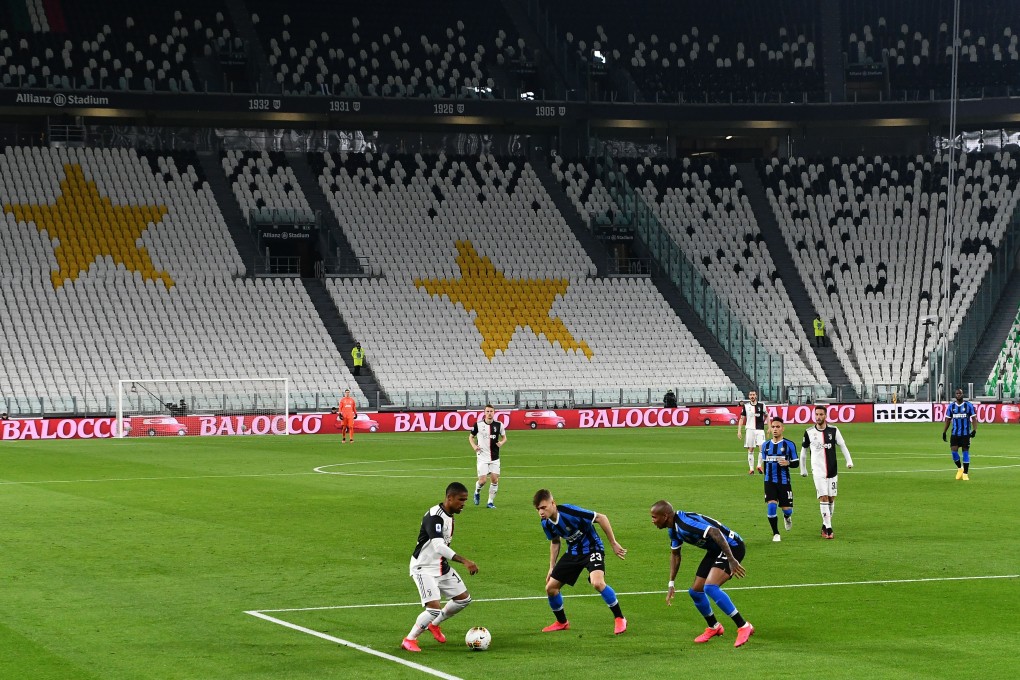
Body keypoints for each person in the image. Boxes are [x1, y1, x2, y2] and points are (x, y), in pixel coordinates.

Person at [650, 500, 754, 648]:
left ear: (665, 516)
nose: (652, 521)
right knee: (695, 591)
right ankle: (714, 626)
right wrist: (671, 583)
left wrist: (731, 560)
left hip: (732, 546)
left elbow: (715, 532)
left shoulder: (685, 524)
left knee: (710, 587)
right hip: (715, 550)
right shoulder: (673, 529)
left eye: (654, 517)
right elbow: (675, 555)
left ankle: (744, 626)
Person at [533, 489, 628, 635]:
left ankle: (620, 618)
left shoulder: (570, 512)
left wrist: (613, 543)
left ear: (553, 503)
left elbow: (601, 518)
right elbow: (555, 541)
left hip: (592, 548)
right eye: (538, 509)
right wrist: (552, 566)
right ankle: (562, 622)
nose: (541, 512)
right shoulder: (546, 523)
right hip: (573, 552)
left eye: (543, 507)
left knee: (597, 582)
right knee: (550, 588)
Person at [402, 482, 479, 653]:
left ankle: (434, 626)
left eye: (465, 500)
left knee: (463, 599)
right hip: (423, 567)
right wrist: (465, 560)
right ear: (449, 498)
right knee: (433, 609)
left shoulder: (449, 515)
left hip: (440, 566)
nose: (463, 504)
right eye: (460, 500)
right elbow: (438, 546)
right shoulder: (434, 517)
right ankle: (409, 639)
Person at [800, 405, 854, 539]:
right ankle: (829, 528)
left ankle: (825, 524)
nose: (818, 417)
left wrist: (849, 461)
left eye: (821, 414)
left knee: (831, 498)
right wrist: (803, 469)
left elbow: (843, 446)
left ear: (825, 416)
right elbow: (803, 452)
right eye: (816, 414)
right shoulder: (809, 432)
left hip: (832, 470)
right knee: (823, 497)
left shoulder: (834, 430)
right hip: (817, 470)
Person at [759, 418, 800, 542]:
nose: (775, 429)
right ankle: (776, 533)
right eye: (773, 427)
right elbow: (765, 463)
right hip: (769, 481)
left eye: (778, 427)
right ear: (770, 429)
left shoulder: (789, 444)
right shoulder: (765, 445)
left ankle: (787, 517)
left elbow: (796, 463)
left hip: (784, 482)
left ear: (783, 428)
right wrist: (766, 479)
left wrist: (788, 463)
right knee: (771, 506)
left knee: (787, 509)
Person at [469, 405, 506, 508]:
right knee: (483, 481)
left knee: (494, 480)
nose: (489, 413)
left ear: (494, 412)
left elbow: (504, 437)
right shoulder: (478, 425)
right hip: (482, 457)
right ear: (484, 413)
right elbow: (471, 437)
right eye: (487, 411)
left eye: (491, 411)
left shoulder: (499, 425)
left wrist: (502, 443)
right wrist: (474, 446)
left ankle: (490, 502)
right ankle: (477, 492)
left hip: (495, 457)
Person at [942, 387, 977, 481]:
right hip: (955, 433)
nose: (958, 395)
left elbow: (974, 418)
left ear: (963, 394)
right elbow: (948, 420)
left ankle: (965, 473)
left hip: (965, 434)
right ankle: (959, 468)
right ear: (955, 395)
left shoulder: (968, 405)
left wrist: (974, 430)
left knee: (965, 452)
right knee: (954, 452)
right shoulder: (951, 406)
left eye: (960, 393)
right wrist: (944, 432)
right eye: (957, 393)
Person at [736, 390, 769, 475]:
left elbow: (767, 416)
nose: (752, 396)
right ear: (749, 396)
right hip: (750, 429)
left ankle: (759, 466)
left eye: (753, 395)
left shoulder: (762, 405)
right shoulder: (746, 406)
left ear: (756, 396)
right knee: (750, 449)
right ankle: (751, 469)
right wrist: (739, 431)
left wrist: (769, 427)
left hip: (760, 430)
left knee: (762, 448)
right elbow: (741, 419)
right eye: (750, 395)